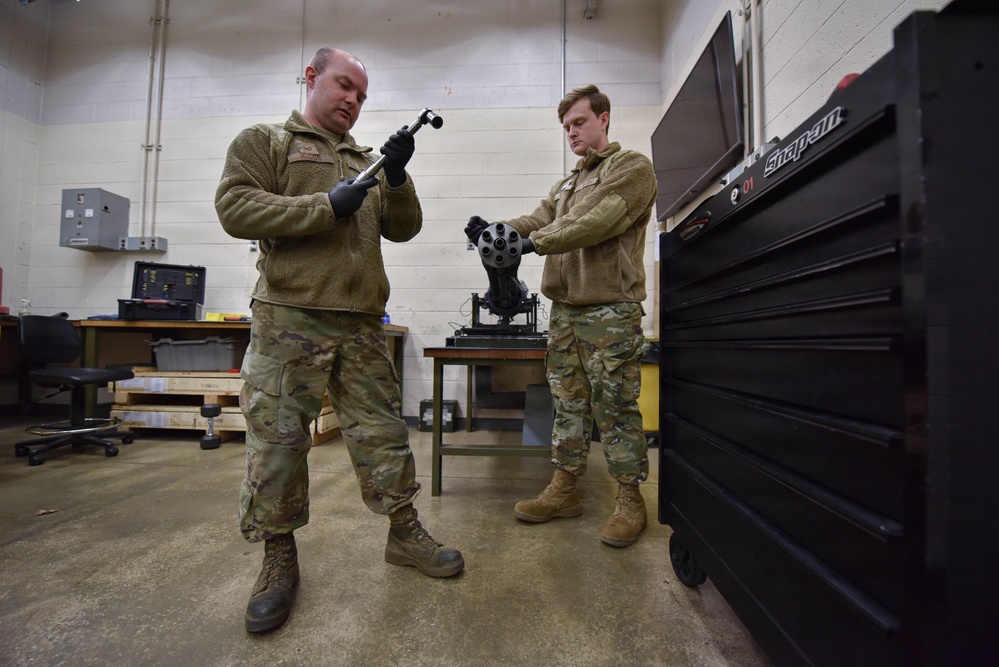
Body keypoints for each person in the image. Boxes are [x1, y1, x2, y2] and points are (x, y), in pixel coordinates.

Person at [216, 47, 463, 634]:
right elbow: (235, 207)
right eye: (344, 85)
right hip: (289, 319)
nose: (353, 100)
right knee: (279, 441)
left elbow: (405, 229)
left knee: (382, 433)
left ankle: (404, 533)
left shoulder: (367, 160)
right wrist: (324, 205)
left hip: (361, 322)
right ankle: (278, 559)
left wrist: (397, 178)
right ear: (311, 77)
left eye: (362, 94)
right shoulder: (267, 141)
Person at [465, 84, 656, 548]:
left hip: (610, 309)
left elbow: (595, 221)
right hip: (566, 312)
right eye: (566, 127)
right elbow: (541, 217)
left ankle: (630, 498)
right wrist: (498, 231)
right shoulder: (566, 185)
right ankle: (564, 489)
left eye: (579, 123)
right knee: (567, 403)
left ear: (604, 119)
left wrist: (533, 244)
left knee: (614, 406)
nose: (571, 133)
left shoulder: (631, 169)